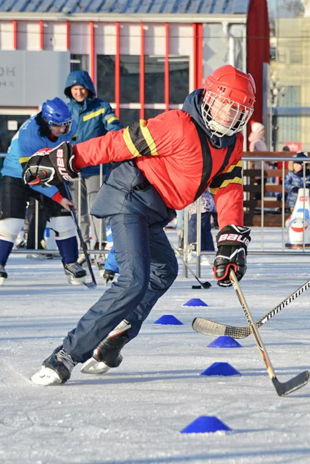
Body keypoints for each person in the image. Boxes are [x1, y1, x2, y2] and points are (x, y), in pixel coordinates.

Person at [23, 64, 254, 386]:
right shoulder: (177, 125)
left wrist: (230, 239)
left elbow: (228, 188)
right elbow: (116, 143)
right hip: (129, 199)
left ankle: (113, 338)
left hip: (154, 212)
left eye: (239, 110)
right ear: (209, 99)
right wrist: (66, 159)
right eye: (226, 105)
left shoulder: (232, 143)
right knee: (134, 280)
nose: (230, 115)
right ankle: (65, 355)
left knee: (164, 271)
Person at [0, 97, 85, 287]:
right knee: (12, 222)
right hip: (19, 174)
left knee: (64, 220)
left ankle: (71, 263)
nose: (62, 129)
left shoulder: (68, 126)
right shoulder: (28, 136)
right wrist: (59, 198)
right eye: (57, 126)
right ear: (46, 122)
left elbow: (74, 147)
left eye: (66, 124)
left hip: (51, 170)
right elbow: (32, 177)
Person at [64, 70, 123, 250]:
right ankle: (82, 247)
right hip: (72, 167)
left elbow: (114, 128)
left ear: (88, 89)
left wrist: (111, 142)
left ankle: (98, 246)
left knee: (96, 209)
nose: (78, 92)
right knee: (78, 210)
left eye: (81, 88)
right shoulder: (66, 109)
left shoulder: (102, 107)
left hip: (95, 167)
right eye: (75, 89)